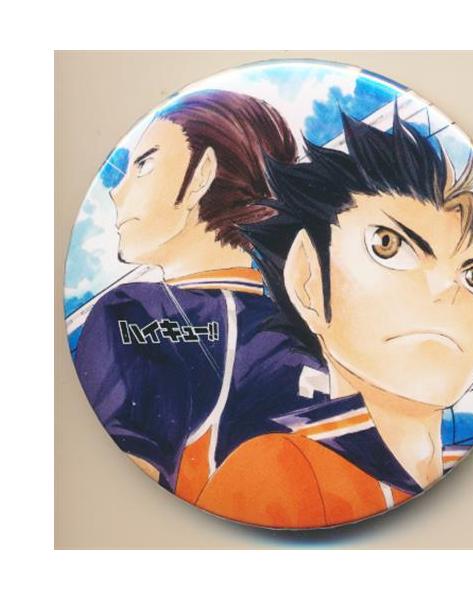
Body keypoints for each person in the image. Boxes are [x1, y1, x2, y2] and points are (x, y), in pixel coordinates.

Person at [196, 109, 473, 528]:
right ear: (307, 279)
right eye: (388, 244)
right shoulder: (280, 469)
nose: (445, 288)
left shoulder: (472, 473)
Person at [74, 90, 323, 503]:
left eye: (144, 165)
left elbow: (118, 497)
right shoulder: (318, 334)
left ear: (201, 175)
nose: (116, 192)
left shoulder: (133, 313)